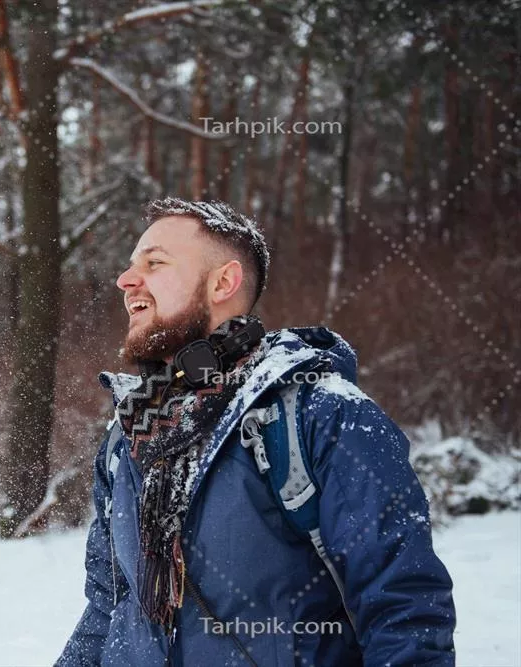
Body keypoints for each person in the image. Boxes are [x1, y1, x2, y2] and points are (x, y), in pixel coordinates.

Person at [56, 198, 456, 666]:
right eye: (129, 266)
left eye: (154, 262)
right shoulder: (129, 438)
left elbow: (403, 609)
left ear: (223, 281)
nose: (126, 280)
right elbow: (109, 609)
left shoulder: (320, 414)